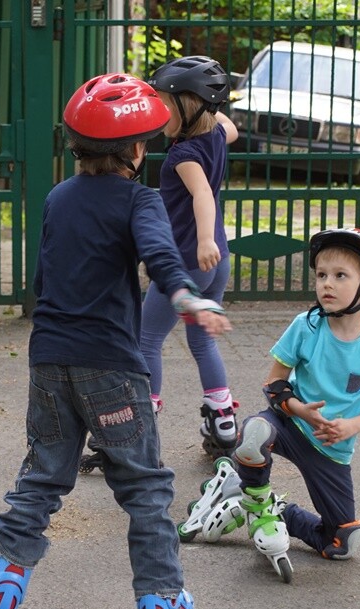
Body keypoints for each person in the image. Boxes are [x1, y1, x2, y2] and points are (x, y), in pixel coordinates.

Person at [0, 72, 231, 609]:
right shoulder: (141, 198)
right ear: (138, 149)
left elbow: (43, 280)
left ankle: (3, 590)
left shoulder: (57, 197)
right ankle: (163, 604)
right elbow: (161, 254)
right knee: (144, 488)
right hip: (112, 367)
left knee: (40, 480)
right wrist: (188, 296)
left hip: (50, 361)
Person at [178, 229, 360, 582]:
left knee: (342, 543)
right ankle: (254, 496)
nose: (326, 284)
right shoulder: (306, 326)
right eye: (321, 275)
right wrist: (299, 409)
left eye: (340, 276)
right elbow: (275, 384)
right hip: (289, 424)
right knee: (254, 433)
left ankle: (278, 510)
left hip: (333, 447)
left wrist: (352, 425)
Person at [141, 55, 241, 458]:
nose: (155, 114)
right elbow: (229, 126)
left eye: (163, 105)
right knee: (201, 344)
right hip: (217, 264)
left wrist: (202, 241)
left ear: (189, 105)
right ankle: (223, 419)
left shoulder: (182, 156)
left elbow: (201, 194)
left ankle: (139, 422)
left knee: (146, 340)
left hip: (188, 262)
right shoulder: (215, 131)